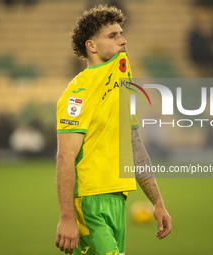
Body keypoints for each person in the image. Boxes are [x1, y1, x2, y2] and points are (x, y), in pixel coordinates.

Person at [55, 5, 171, 255]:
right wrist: (66, 218)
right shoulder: (77, 94)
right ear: (91, 46)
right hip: (89, 202)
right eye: (113, 36)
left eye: (121, 33)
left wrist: (157, 201)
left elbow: (133, 143)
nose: (123, 40)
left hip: (118, 198)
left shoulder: (122, 75)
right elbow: (65, 157)